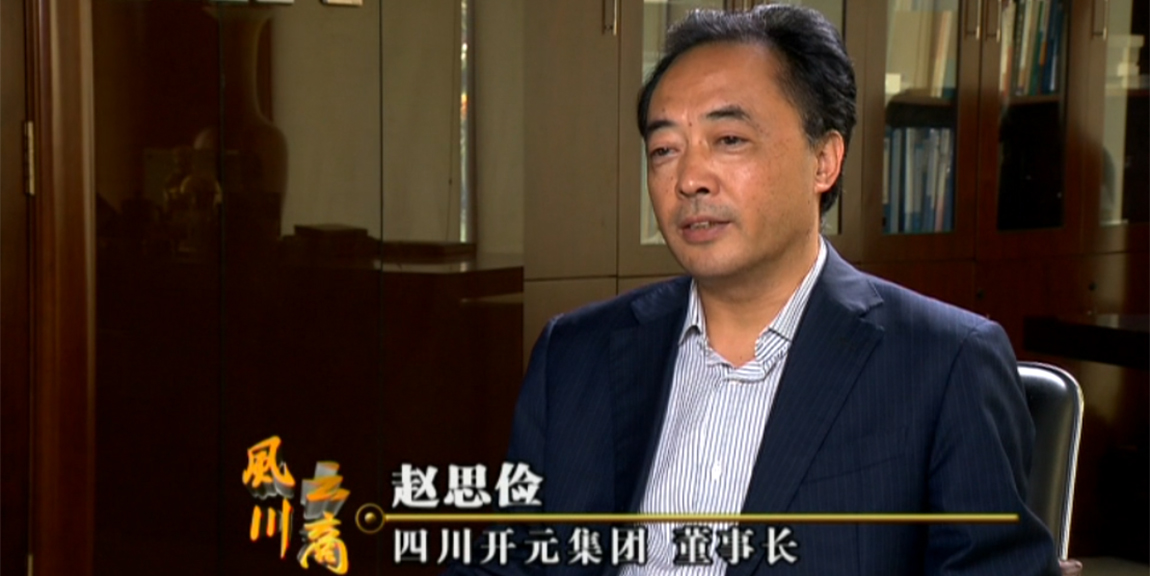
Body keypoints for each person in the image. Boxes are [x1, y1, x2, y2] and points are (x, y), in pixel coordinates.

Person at [453, 5, 1060, 575]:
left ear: (824, 161)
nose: (689, 178)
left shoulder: (943, 363)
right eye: (664, 149)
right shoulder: (575, 355)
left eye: (729, 140)